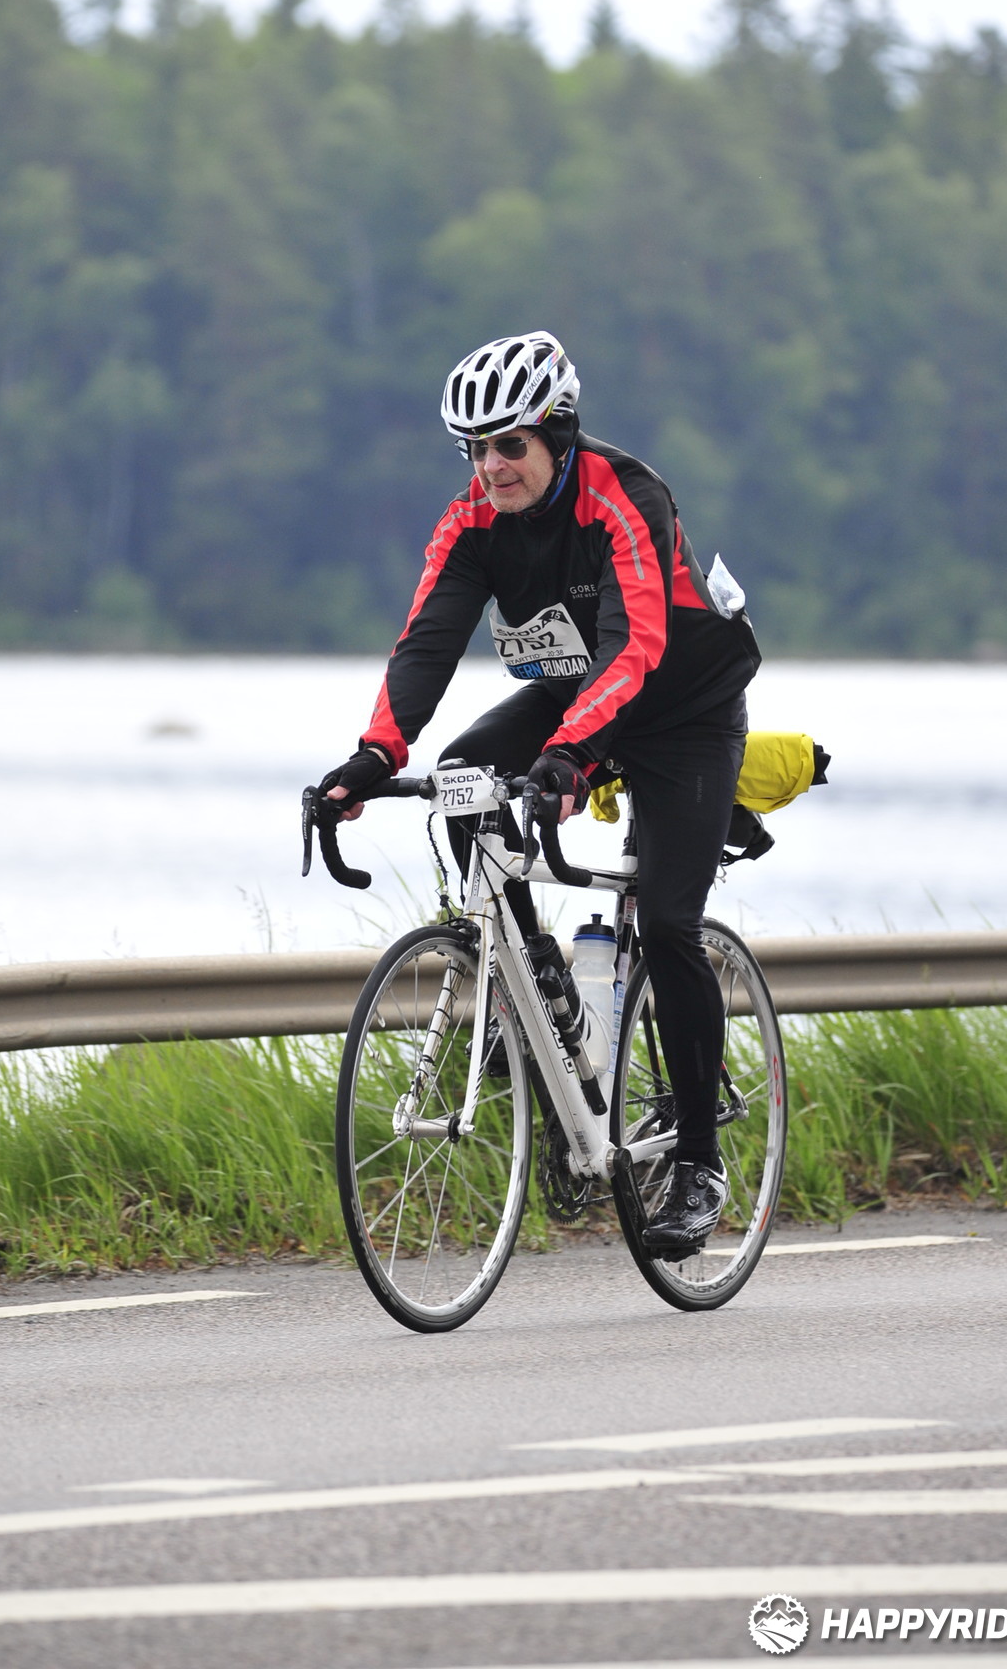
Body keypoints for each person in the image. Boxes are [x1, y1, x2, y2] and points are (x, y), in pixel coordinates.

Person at [316, 332, 761, 1259]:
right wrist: (372, 755)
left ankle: (699, 1163)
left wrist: (569, 758)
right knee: (462, 779)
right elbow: (426, 644)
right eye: (475, 450)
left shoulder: (624, 494)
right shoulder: (472, 520)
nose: (491, 467)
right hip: (575, 693)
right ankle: (540, 989)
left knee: (669, 924)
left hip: (683, 706)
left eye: (510, 445)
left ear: (556, 434)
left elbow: (635, 644)